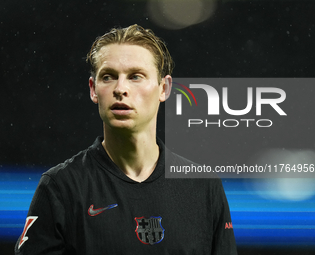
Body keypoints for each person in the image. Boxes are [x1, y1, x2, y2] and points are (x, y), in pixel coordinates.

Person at [15, 24, 237, 254]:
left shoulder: (203, 186)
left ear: (164, 88)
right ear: (93, 89)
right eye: (108, 77)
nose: (120, 88)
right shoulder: (61, 188)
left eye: (135, 77)